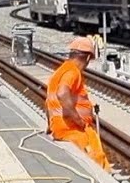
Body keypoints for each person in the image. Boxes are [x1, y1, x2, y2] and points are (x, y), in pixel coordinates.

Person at [45, 37, 109, 170]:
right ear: (87, 58)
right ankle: (102, 181)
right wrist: (78, 120)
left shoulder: (60, 71)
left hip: (60, 126)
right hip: (71, 128)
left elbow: (48, 102)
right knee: (95, 154)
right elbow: (62, 93)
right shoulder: (72, 72)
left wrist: (49, 125)